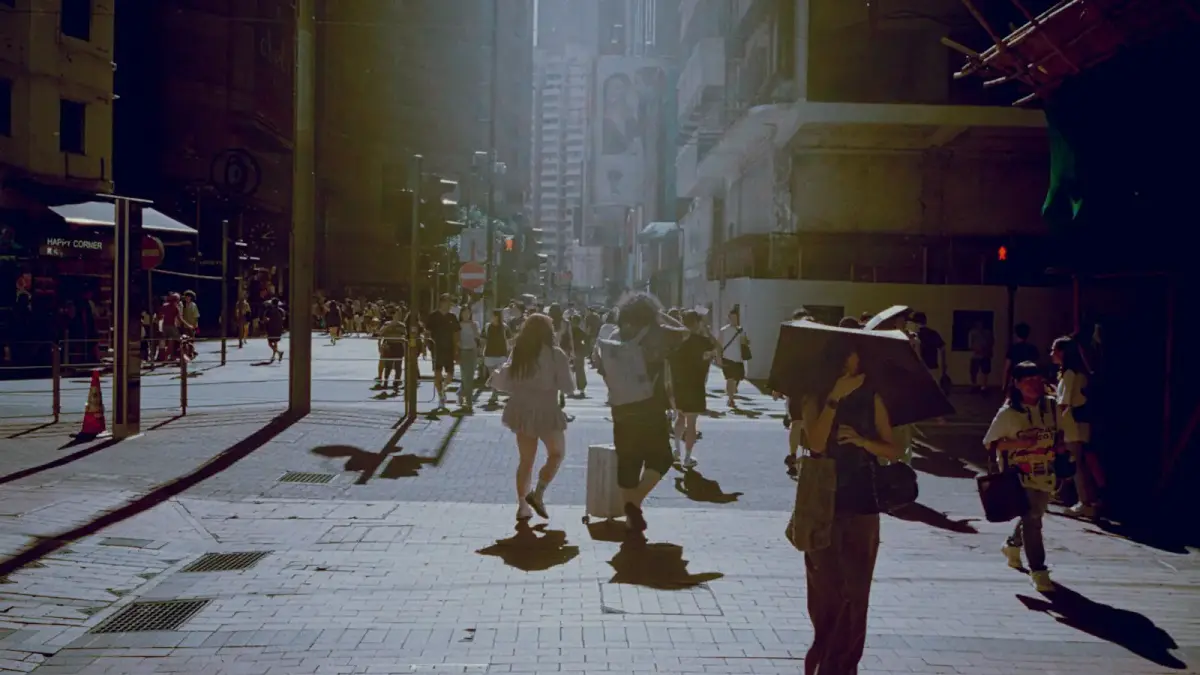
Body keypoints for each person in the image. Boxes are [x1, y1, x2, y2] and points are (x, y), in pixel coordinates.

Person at [798, 339, 902, 675]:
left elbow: (892, 450)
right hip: (821, 501)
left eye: (857, 363)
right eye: (847, 363)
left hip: (861, 501)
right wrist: (834, 399)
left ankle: (842, 665)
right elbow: (814, 444)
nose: (854, 367)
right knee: (826, 589)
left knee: (856, 591)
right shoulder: (814, 397)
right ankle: (823, 647)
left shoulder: (872, 397)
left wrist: (862, 441)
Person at [600, 292, 688, 542]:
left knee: (628, 462)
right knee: (662, 458)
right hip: (649, 406)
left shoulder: (615, 337)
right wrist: (662, 315)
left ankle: (632, 520)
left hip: (620, 408)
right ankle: (635, 503)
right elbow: (685, 333)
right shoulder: (655, 335)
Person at [986, 361, 1063, 592]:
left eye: (1038, 380)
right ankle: (1038, 570)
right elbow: (991, 443)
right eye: (1028, 381)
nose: (1034, 385)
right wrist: (1021, 443)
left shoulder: (1051, 406)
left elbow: (1060, 433)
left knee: (1035, 512)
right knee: (1033, 518)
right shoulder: (1008, 413)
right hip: (1019, 474)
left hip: (1046, 471)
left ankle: (1012, 544)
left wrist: (1059, 447)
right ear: (1017, 384)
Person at [489, 314, 575, 521]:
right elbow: (569, 387)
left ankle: (522, 506)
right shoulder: (556, 355)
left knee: (526, 460)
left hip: (522, 409)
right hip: (547, 409)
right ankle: (539, 492)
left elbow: (506, 380)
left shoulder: (520, 353)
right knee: (557, 453)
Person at [1052, 336, 1102, 518]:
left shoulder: (1069, 374)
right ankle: (1084, 498)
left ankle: (1085, 502)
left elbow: (1063, 403)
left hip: (1071, 424)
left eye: (1054, 350)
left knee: (1076, 464)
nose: (1052, 354)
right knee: (1079, 463)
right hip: (1080, 422)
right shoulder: (1079, 373)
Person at [669, 310, 718, 468]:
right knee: (691, 424)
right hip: (695, 385)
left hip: (678, 384)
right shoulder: (702, 341)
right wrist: (708, 331)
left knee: (680, 417)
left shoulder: (677, 340)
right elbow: (718, 347)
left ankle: (676, 450)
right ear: (697, 323)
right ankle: (687, 458)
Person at [426, 294, 459, 410]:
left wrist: (456, 349)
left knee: (450, 375)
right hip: (437, 349)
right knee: (437, 374)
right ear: (441, 302)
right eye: (447, 302)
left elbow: (456, 333)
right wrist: (426, 347)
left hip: (449, 349)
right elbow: (428, 332)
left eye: (450, 302)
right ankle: (440, 396)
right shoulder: (433, 316)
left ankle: (443, 389)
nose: (449, 304)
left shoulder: (452, 317)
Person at [717, 306, 750, 409]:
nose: (734, 320)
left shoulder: (741, 330)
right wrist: (718, 357)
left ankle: (731, 394)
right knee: (730, 379)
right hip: (727, 358)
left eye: (735, 318)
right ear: (729, 318)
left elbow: (744, 343)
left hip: (738, 359)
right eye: (732, 318)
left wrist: (746, 341)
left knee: (736, 380)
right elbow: (719, 344)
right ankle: (730, 399)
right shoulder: (724, 330)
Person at [481, 310, 511, 406]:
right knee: (492, 376)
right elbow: (483, 340)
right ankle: (494, 394)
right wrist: (482, 352)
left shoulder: (505, 327)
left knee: (498, 374)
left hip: (501, 354)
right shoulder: (487, 326)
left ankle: (498, 392)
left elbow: (509, 340)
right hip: (489, 354)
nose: (491, 317)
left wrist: (510, 352)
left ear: (497, 316)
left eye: (493, 315)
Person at [457, 306, 480, 411]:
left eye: (468, 313)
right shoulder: (458, 325)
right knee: (464, 376)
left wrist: (475, 330)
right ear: (461, 314)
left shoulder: (474, 324)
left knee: (469, 376)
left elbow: (478, 337)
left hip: (472, 351)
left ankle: (468, 399)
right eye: (464, 313)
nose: (466, 315)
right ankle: (463, 395)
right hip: (462, 351)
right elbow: (456, 338)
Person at [376, 309, 407, 390]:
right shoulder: (386, 324)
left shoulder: (402, 325)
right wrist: (379, 345)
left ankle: (396, 382)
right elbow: (380, 333)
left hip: (398, 346)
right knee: (388, 365)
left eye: (399, 315)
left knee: (398, 366)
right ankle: (385, 381)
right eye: (396, 315)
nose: (397, 316)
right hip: (389, 345)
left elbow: (405, 335)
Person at [1003, 322, 1040, 387]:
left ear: (1016, 334)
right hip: (1029, 381)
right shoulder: (1033, 348)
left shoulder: (1013, 349)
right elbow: (1037, 366)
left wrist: (1004, 385)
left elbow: (1007, 369)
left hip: (1016, 380)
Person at [968, 320, 995, 392]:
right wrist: (976, 349)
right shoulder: (973, 332)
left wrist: (985, 349)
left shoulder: (987, 333)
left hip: (985, 355)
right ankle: (974, 385)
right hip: (976, 355)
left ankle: (984, 386)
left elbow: (991, 342)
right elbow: (970, 344)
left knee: (985, 371)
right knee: (974, 371)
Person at [262, 298, 286, 362]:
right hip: (279, 329)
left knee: (270, 343)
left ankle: (278, 353)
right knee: (275, 342)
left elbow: (266, 319)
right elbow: (283, 318)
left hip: (271, 328)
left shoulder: (269, 310)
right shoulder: (281, 310)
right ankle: (274, 356)